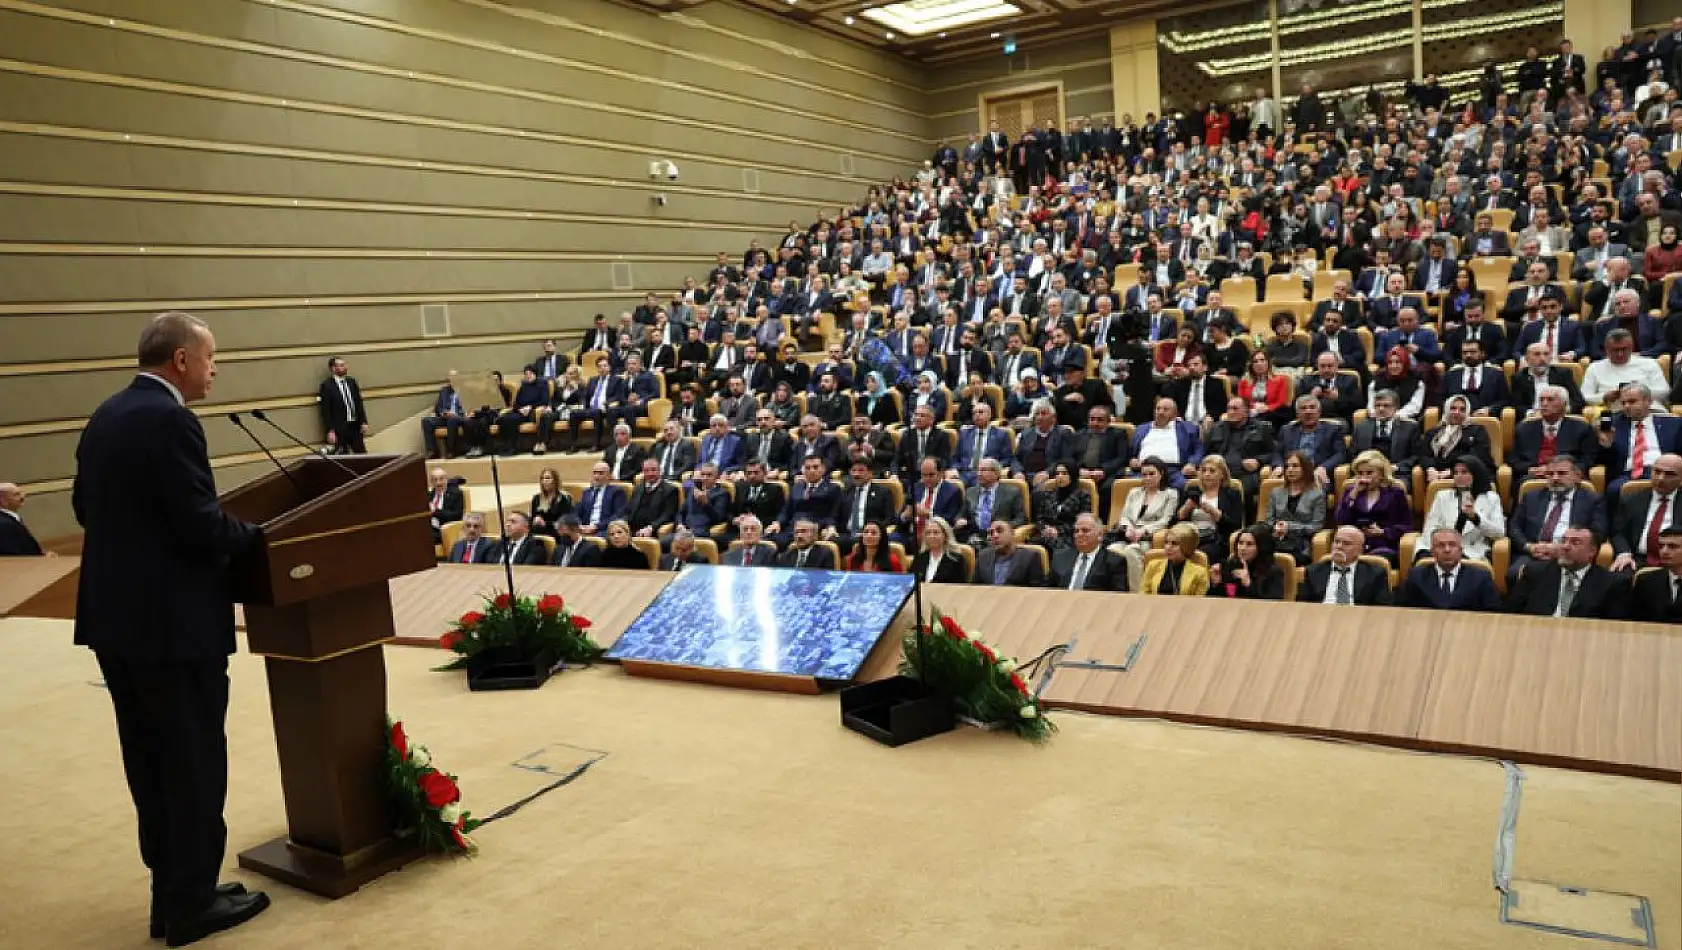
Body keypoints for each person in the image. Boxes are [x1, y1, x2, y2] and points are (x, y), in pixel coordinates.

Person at [72, 311, 271, 946]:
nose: (216, 370)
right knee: (192, 762)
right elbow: (197, 522)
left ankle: (173, 894)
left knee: (151, 763)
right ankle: (189, 907)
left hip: (116, 625)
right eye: (211, 358)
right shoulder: (173, 418)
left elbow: (84, 507)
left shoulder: (106, 414)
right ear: (181, 361)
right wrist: (260, 538)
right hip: (174, 628)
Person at [1506, 527, 1625, 618]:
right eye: (1563, 541)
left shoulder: (1610, 583)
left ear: (1592, 552)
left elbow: (1615, 628)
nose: (1565, 547)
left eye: (1575, 542)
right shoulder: (1535, 572)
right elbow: (1510, 615)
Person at [1418, 456, 1505, 563]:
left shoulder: (1491, 498)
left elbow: (1499, 532)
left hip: (1471, 551)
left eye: (1464, 472)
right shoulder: (1442, 496)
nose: (1458, 476)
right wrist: (1442, 547)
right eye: (1456, 472)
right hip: (1440, 548)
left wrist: (1476, 518)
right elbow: (1429, 529)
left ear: (1476, 474)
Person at [1333, 449, 1412, 562]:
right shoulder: (1351, 492)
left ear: (1381, 474)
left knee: (1373, 561)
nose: (1364, 478)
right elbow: (1340, 520)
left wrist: (1383, 532)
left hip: (1384, 546)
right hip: (1352, 546)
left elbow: (1406, 526)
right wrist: (1353, 495)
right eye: (1360, 473)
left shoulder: (1395, 493)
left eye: (1369, 473)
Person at [1396, 528, 1503, 610]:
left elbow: (1494, 613)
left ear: (1461, 550)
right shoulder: (1416, 576)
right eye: (1441, 545)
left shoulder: (1481, 577)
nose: (1447, 550)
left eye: (1452, 545)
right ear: (1432, 552)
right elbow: (1400, 610)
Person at [1609, 452, 1681, 571]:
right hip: (1637, 560)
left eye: (1669, 474)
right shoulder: (1631, 500)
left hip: (1677, 563)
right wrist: (1624, 553)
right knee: (1618, 580)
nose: (1661, 478)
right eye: (1657, 472)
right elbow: (1619, 532)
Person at [1300, 525, 1393, 605]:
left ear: (1360, 550)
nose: (1339, 547)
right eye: (1336, 542)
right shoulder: (1313, 572)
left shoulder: (1375, 574)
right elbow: (1303, 607)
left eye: (1346, 543)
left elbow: (1383, 608)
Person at [1263, 451, 1327, 566]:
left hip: (1300, 546)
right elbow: (1269, 520)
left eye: (1295, 466)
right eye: (1287, 466)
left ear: (1305, 469)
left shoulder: (1317, 495)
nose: (1290, 470)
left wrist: (1290, 528)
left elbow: (1316, 526)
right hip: (1276, 541)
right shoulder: (1276, 492)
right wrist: (1275, 529)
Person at [1176, 455, 1245, 563]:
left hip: (1216, 540)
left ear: (1222, 474)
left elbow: (1236, 526)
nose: (1207, 474)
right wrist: (1185, 509)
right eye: (1204, 471)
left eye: (1212, 471)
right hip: (1189, 538)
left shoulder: (1231, 494)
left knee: (1201, 553)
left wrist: (1215, 513)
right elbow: (1176, 521)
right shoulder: (1192, 491)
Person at [1420, 395, 1494, 481]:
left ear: (1467, 412)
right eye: (1453, 408)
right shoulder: (1433, 432)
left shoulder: (1477, 430)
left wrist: (1452, 472)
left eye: (1462, 410)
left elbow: (1478, 457)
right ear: (1446, 410)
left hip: (1468, 476)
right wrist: (1430, 469)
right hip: (1436, 477)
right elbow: (1424, 454)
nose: (1457, 412)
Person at [1207, 524, 1285, 600]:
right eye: (1240, 543)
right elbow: (1220, 600)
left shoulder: (1273, 572)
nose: (1243, 548)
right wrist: (1215, 584)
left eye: (1249, 544)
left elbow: (1273, 605)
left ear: (1261, 547)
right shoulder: (1232, 565)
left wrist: (1248, 584)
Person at [1139, 523, 1210, 596]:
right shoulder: (1153, 566)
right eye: (1166, 542)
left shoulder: (1200, 573)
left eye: (1174, 543)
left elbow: (1200, 603)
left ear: (1186, 546)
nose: (1168, 547)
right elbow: (1143, 595)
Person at [972, 519, 1045, 587]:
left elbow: (1036, 592)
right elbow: (974, 588)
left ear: (1012, 533)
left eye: (1000, 531)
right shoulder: (983, 556)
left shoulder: (1030, 557)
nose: (995, 535)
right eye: (991, 533)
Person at [317, 356, 368, 454]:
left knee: (361, 453)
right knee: (343, 455)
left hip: (355, 426)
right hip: (340, 428)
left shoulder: (351, 382)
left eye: (344, 365)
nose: (344, 367)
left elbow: (358, 403)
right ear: (333, 368)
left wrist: (363, 421)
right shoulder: (327, 386)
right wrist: (330, 431)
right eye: (340, 365)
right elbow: (326, 411)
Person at [1630, 527, 1682, 622]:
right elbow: (1635, 621)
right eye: (1661, 546)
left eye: (1672, 546)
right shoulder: (1646, 581)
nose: (1664, 551)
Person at [0, 481, 44, 556]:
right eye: (16, 495)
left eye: (21, 493)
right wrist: (43, 559)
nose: (22, 497)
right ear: (2, 500)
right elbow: (13, 555)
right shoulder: (3, 524)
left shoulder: (10, 518)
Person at [528, 468, 571, 539]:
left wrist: (546, 523)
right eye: (542, 479)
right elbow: (532, 518)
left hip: (556, 532)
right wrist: (534, 520)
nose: (544, 481)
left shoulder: (564, 498)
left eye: (548, 478)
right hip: (537, 531)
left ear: (555, 481)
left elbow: (565, 521)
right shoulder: (536, 498)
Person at [425, 467, 464, 543]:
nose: (439, 483)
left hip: (444, 530)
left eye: (441, 479)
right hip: (430, 529)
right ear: (432, 482)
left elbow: (456, 516)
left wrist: (435, 511)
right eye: (435, 480)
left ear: (446, 479)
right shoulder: (429, 495)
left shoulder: (455, 494)